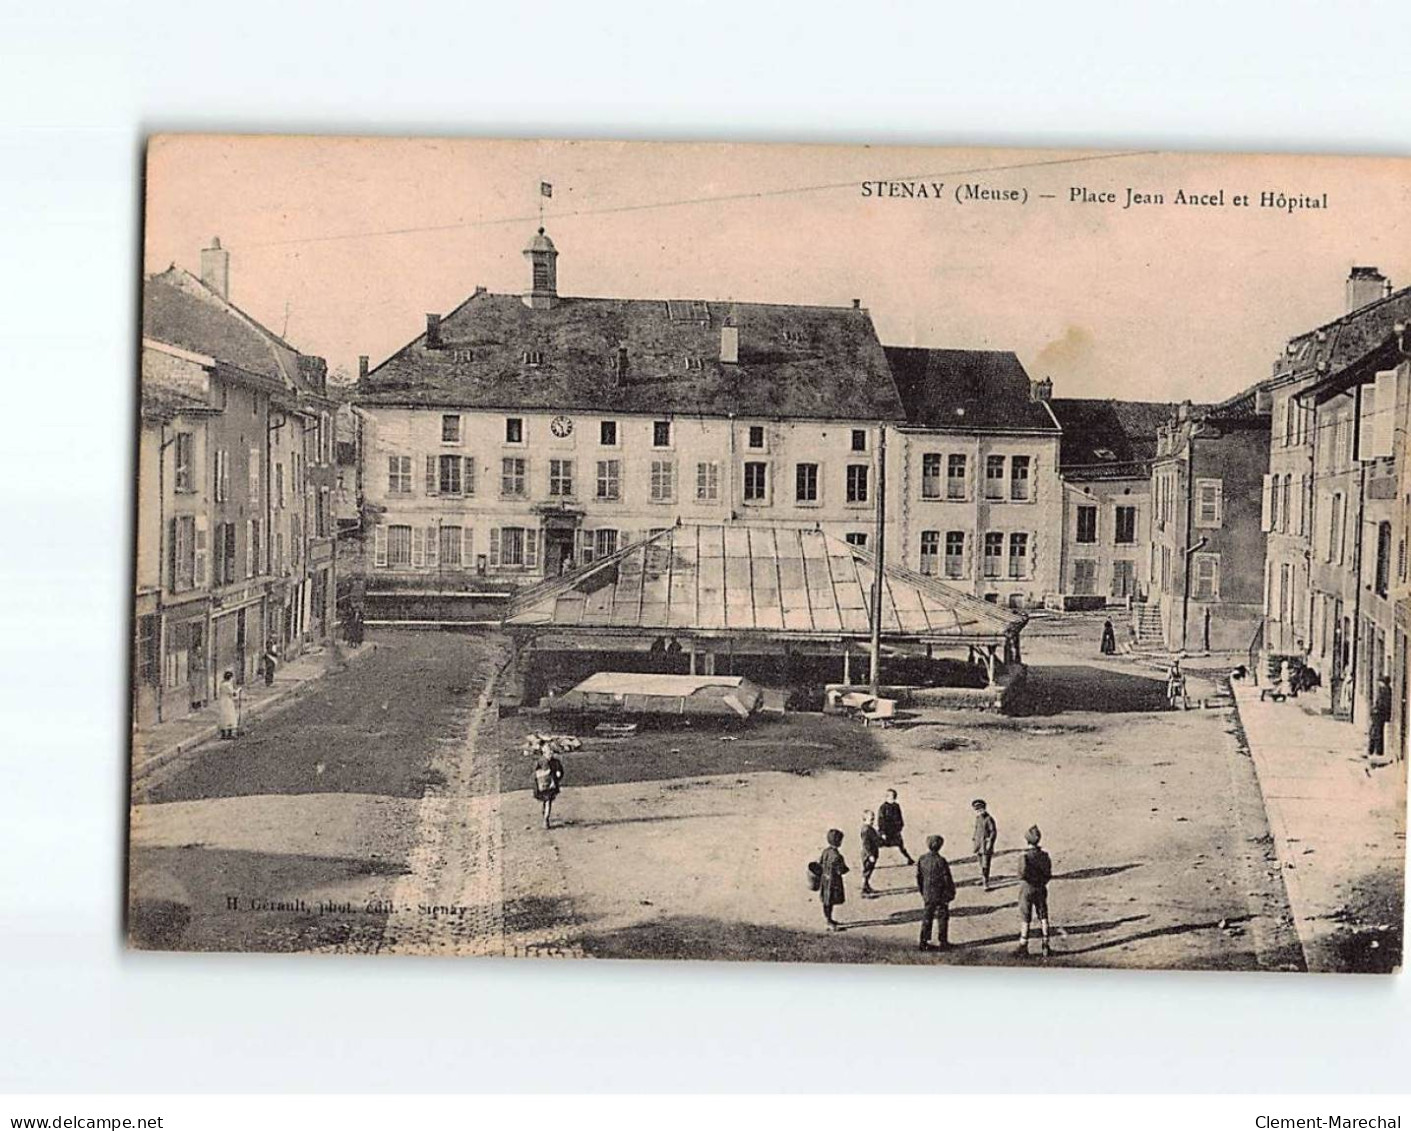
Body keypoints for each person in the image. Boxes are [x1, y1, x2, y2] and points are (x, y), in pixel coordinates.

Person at [1015, 825, 1053, 957]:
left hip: (1027, 889)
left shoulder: (1024, 856)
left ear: (1027, 841)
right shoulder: (1044, 855)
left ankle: (1023, 945)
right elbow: (1048, 874)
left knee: (1025, 917)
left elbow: (1021, 874)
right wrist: (1041, 882)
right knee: (1043, 915)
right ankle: (1046, 945)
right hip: (1041, 888)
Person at [916, 835, 957, 951]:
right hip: (940, 895)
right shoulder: (941, 861)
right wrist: (950, 893)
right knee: (943, 917)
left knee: (927, 917)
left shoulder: (922, 859)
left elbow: (919, 877)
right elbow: (947, 879)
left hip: (927, 894)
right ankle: (943, 942)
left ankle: (923, 942)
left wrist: (923, 891)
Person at [817, 828, 850, 931]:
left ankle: (828, 919)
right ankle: (829, 922)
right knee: (830, 901)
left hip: (825, 880)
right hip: (833, 882)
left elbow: (820, 862)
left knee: (826, 901)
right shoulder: (838, 856)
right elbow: (841, 870)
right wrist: (846, 869)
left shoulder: (825, 852)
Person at [532, 744, 566, 829]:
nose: (550, 753)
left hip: (551, 785)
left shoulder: (556, 762)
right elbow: (534, 774)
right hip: (542, 786)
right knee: (545, 802)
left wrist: (559, 773)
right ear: (544, 752)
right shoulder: (540, 761)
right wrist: (542, 775)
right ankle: (545, 816)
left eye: (551, 752)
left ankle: (546, 819)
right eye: (548, 752)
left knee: (548, 801)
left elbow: (560, 770)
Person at [877, 789, 914, 865]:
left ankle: (909, 859)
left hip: (894, 831)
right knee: (877, 845)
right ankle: (870, 860)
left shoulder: (896, 806)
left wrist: (899, 828)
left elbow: (900, 818)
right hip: (886, 831)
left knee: (901, 846)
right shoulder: (883, 807)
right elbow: (881, 821)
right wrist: (882, 832)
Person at [971, 798, 998, 891]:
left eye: (980, 809)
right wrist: (974, 839)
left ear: (984, 809)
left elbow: (993, 832)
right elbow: (976, 829)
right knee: (980, 863)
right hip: (978, 845)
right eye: (977, 810)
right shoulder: (978, 819)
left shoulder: (989, 819)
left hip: (986, 846)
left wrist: (990, 843)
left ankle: (986, 882)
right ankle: (982, 878)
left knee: (986, 864)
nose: (978, 812)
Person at [1368, 675, 1393, 767]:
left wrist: (1376, 710)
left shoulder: (1384, 691)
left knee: (1376, 733)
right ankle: (1374, 750)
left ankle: (1377, 751)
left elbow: (1382, 704)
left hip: (1379, 715)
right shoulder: (1386, 690)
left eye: (1380, 682)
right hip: (1379, 715)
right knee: (1375, 732)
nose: (1378, 684)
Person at [859, 811, 882, 897]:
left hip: (872, 852)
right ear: (864, 820)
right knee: (867, 871)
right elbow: (866, 844)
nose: (872, 821)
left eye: (873, 819)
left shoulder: (869, 828)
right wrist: (870, 855)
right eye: (871, 819)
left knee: (869, 870)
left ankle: (867, 886)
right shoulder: (866, 830)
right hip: (868, 855)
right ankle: (864, 889)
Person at [216, 670, 241, 739]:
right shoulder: (228, 685)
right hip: (228, 702)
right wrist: (238, 690)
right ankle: (229, 733)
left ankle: (223, 733)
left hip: (222, 701)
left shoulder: (222, 684)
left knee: (223, 717)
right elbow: (233, 693)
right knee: (230, 717)